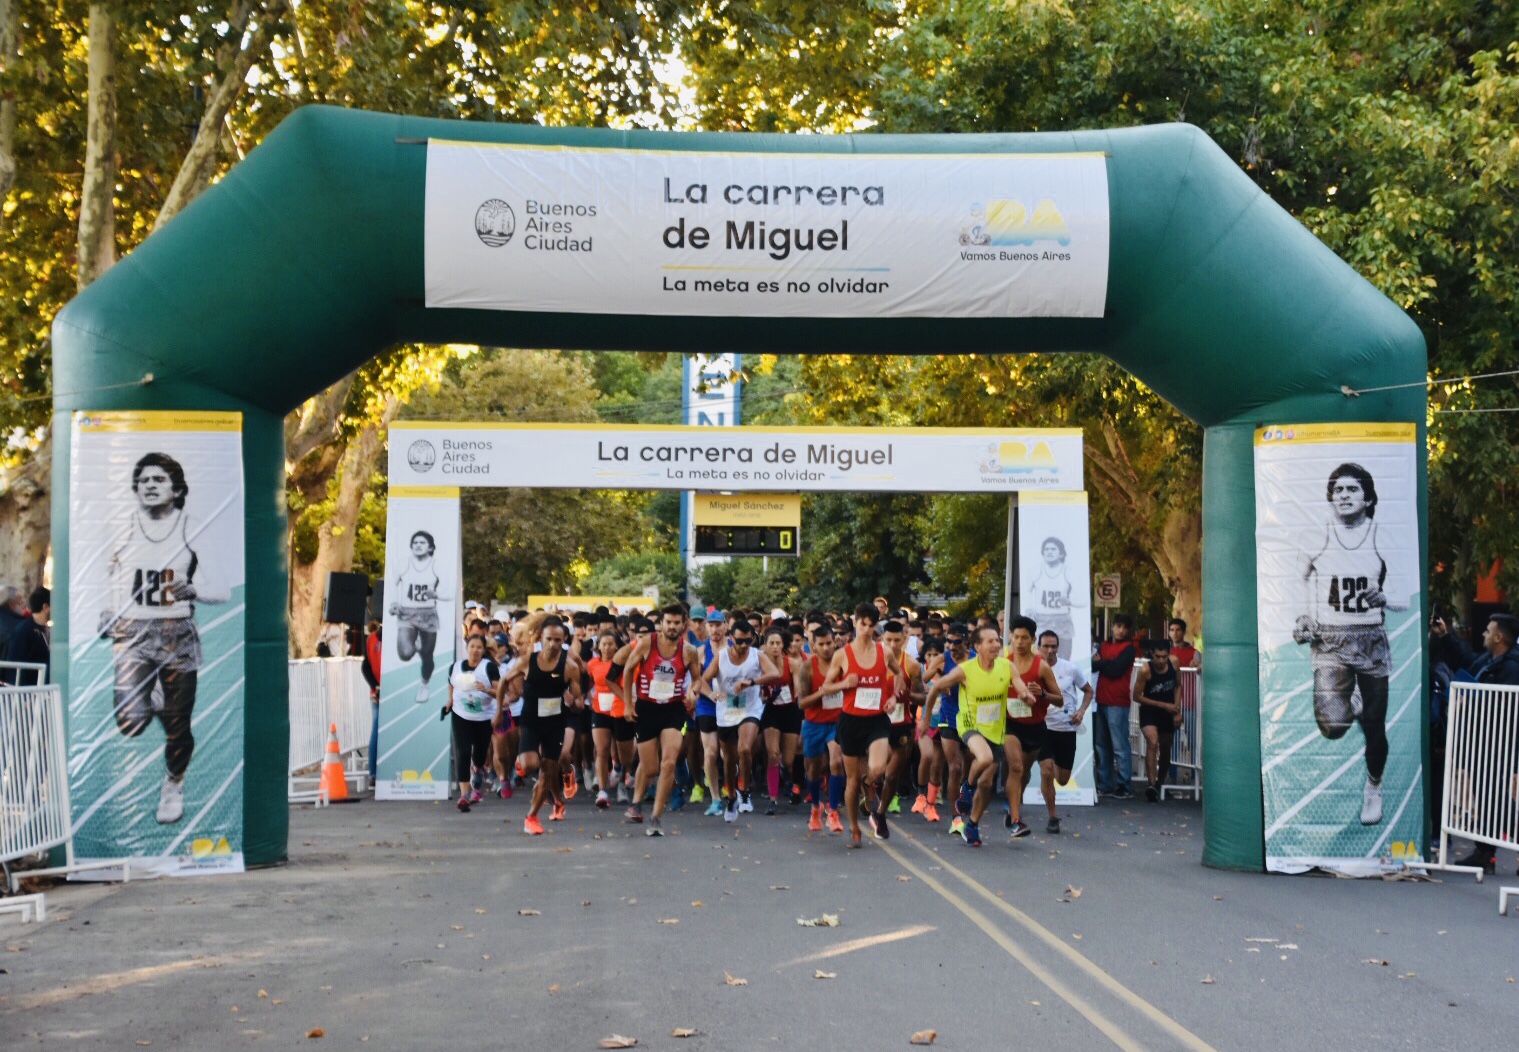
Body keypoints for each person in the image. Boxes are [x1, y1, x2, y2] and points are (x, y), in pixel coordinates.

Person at [100, 452, 228, 825]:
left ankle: (174, 783)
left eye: (159, 480)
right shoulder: (124, 525)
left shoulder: (191, 525)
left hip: (176, 633)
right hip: (134, 634)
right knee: (130, 722)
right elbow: (105, 577)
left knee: (178, 724)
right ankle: (151, 696)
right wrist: (108, 609)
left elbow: (221, 589)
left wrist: (194, 589)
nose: (150, 486)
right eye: (144, 481)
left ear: (176, 488)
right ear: (136, 489)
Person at [1293, 463, 1408, 826]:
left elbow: (1403, 595)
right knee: (1332, 726)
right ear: (1330, 498)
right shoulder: (1317, 534)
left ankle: (1373, 787)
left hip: (1370, 637)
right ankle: (1349, 701)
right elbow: (1296, 579)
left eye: (1352, 489)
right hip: (1330, 637)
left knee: (1375, 725)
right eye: (1338, 490)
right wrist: (1303, 616)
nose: (1344, 495)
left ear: (1368, 497)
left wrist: (1384, 596)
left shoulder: (1381, 534)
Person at [922, 625, 1033, 847]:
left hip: (994, 730)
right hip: (968, 725)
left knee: (987, 783)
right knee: (984, 759)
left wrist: (1026, 694)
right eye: (990, 641)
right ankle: (966, 790)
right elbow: (934, 688)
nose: (995, 645)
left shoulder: (1006, 666)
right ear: (977, 646)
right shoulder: (965, 670)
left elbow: (1019, 685)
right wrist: (925, 720)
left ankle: (972, 823)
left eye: (997, 640)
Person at [1431, 611, 1519, 871]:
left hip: (1500, 742)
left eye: (1488, 630)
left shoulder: (1512, 666)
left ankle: (1488, 850)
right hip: (1484, 740)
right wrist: (1447, 636)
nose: (1484, 633)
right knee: (1485, 794)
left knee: (1495, 797)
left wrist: (1473, 703)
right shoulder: (1491, 660)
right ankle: (1484, 853)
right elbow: (1467, 663)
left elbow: (1505, 706)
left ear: (1499, 637)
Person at [819, 603, 902, 847]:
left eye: (870, 625)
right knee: (851, 781)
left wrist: (893, 697)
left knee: (879, 767)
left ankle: (870, 784)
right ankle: (855, 828)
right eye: (862, 624)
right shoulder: (842, 654)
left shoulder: (884, 652)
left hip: (876, 719)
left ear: (875, 626)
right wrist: (845, 684)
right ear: (855, 623)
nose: (866, 629)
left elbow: (898, 674)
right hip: (851, 721)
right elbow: (826, 687)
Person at [621, 604, 703, 836]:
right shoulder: (648, 643)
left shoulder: (689, 651)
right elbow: (628, 670)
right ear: (662, 623)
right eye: (668, 622)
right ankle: (637, 803)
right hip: (646, 708)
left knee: (669, 762)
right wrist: (628, 703)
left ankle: (656, 817)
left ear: (683, 625)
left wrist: (693, 692)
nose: (672, 626)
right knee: (651, 768)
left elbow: (697, 679)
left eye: (677, 623)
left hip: (674, 709)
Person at [699, 618, 781, 822]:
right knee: (728, 760)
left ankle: (744, 788)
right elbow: (702, 680)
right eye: (739, 641)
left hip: (749, 709)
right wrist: (711, 695)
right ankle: (731, 797)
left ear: (753, 639)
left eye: (748, 641)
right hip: (726, 711)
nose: (744, 646)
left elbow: (775, 673)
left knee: (744, 748)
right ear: (730, 639)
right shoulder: (721, 657)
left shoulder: (757, 655)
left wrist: (753, 681)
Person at [516, 617, 583, 834]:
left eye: (558, 640)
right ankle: (553, 796)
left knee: (554, 763)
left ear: (564, 639)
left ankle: (536, 814)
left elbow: (582, 686)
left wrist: (576, 700)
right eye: (549, 639)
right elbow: (512, 678)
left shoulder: (570, 660)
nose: (553, 644)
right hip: (533, 720)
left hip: (558, 718)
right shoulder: (531, 657)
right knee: (535, 765)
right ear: (541, 638)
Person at [1003, 616, 1062, 838]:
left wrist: (1043, 694)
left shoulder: (1042, 667)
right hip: (1010, 725)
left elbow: (1059, 699)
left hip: (1035, 726)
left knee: (1025, 772)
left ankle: (1014, 803)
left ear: (1032, 640)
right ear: (1011, 637)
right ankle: (1016, 820)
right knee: (1016, 768)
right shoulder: (1003, 662)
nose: (1019, 642)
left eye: (1024, 638)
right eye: (1016, 637)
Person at [1037, 630, 1093, 834]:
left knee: (1062, 779)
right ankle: (1053, 817)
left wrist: (1081, 711)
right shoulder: (1034, 668)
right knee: (1046, 771)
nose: (1050, 650)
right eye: (1046, 646)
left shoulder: (1070, 668)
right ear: (1039, 647)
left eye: (1054, 646)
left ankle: (1054, 792)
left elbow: (1088, 691)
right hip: (1043, 727)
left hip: (1066, 728)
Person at [796, 621, 846, 834]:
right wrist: (822, 692)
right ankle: (816, 808)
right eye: (821, 644)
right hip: (814, 723)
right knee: (813, 770)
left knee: (836, 762)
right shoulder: (808, 667)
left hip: (837, 723)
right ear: (813, 645)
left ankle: (833, 811)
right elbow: (801, 702)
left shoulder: (843, 663)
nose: (826, 648)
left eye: (829, 643)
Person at [445, 634, 501, 812]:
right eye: (472, 646)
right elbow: (451, 683)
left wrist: (486, 689)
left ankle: (478, 770)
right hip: (461, 714)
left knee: (479, 753)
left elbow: (499, 692)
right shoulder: (455, 667)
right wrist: (450, 701)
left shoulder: (488, 668)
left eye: (479, 647)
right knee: (462, 751)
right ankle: (464, 794)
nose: (475, 650)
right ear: (467, 648)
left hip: (483, 717)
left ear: (483, 650)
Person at [390, 530, 444, 704]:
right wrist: (393, 602)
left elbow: (449, 591)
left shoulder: (436, 565)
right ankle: (415, 642)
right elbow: (392, 584)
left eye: (422, 542)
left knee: (427, 656)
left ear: (430, 547)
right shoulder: (404, 563)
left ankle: (424, 684)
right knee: (405, 653)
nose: (418, 545)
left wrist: (436, 594)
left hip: (428, 615)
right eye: (415, 543)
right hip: (407, 613)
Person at [879, 620, 923, 824]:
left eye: (897, 640)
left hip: (901, 723)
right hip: (876, 723)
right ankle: (875, 797)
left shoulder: (911, 665)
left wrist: (908, 696)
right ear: (882, 639)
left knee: (891, 774)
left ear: (904, 639)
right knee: (877, 771)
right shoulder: (874, 662)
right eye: (889, 640)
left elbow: (922, 697)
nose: (893, 644)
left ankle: (882, 809)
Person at [1092, 613, 1139, 800]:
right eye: (1118, 626)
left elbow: (1114, 670)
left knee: (1119, 745)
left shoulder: (1129, 649)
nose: (1121, 630)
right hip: (1102, 699)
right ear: (1112, 627)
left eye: (1124, 627)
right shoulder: (1105, 645)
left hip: (1118, 702)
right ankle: (1105, 784)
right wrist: (1104, 664)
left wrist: (1101, 662)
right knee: (1101, 745)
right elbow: (1096, 666)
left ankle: (1124, 785)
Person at [587, 629, 633, 810]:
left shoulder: (622, 662)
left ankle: (622, 782)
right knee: (601, 749)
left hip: (620, 710)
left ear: (617, 646)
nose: (606, 648)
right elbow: (590, 684)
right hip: (600, 711)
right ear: (598, 646)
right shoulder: (592, 664)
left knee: (623, 754)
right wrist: (589, 699)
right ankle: (603, 791)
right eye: (603, 644)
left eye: (610, 644)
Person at [1132, 639, 1181, 802]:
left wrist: (1176, 710)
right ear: (1152, 654)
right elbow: (1137, 696)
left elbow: (1178, 686)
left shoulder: (1174, 663)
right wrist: (1162, 705)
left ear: (1169, 655)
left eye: (1164, 657)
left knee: (1166, 748)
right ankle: (1151, 784)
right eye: (1158, 657)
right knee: (1153, 742)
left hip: (1168, 712)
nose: (1161, 661)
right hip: (1150, 711)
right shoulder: (1146, 670)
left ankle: (1160, 783)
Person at [760, 627, 802, 814]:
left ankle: (787, 774)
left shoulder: (792, 663)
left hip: (790, 710)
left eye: (778, 643)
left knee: (788, 759)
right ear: (766, 646)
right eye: (772, 643)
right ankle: (773, 799)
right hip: (771, 711)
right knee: (773, 754)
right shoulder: (760, 664)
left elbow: (799, 690)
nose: (775, 647)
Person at [695, 608, 729, 816]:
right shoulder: (700, 652)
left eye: (718, 625)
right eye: (711, 625)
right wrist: (712, 695)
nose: (715, 629)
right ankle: (716, 798)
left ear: (726, 626)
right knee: (710, 753)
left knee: (728, 754)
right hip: (707, 705)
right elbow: (697, 680)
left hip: (732, 705)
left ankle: (733, 790)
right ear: (707, 627)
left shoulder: (735, 648)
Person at [1026, 536, 1078, 660]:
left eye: (1053, 549)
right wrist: (1029, 609)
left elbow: (1081, 598)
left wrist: (1070, 601)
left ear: (1060, 553)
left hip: (1062, 619)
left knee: (1064, 658)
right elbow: (1026, 592)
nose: (1049, 551)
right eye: (1047, 549)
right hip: (1042, 619)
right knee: (1040, 657)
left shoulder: (1068, 571)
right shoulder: (1035, 571)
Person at [3, 586, 50, 683]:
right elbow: (14, 665)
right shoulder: (24, 629)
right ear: (45, 607)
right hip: (27, 692)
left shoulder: (43, 629)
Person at [360, 621, 382, 787]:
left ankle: (376, 773)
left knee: (378, 729)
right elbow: (365, 666)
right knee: (376, 729)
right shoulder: (371, 640)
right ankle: (373, 773)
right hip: (378, 693)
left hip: (387, 691)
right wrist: (375, 686)